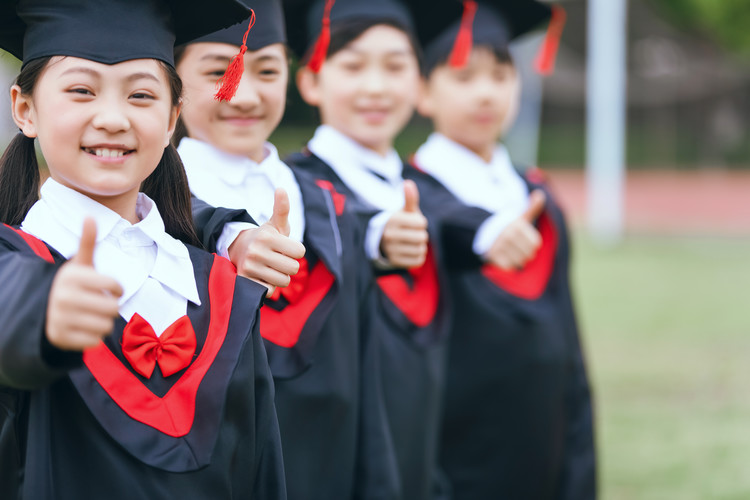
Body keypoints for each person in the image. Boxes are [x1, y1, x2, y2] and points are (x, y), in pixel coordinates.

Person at [0, 1, 286, 498]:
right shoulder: (17, 265)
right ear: (25, 110)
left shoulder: (220, 289)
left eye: (141, 95)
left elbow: (261, 469)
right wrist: (44, 308)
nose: (112, 119)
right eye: (81, 91)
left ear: (173, 117)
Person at [173, 1, 398, 498]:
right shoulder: (158, 210)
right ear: (173, 81)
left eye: (268, 70)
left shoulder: (327, 204)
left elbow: (366, 388)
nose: (245, 94)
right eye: (218, 70)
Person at [409, 1, 597, 498]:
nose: (487, 92)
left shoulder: (537, 195)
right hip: (451, 451)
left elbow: (570, 349)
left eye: (501, 74)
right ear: (422, 92)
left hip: (544, 446)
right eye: (465, 76)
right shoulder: (407, 196)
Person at [283, 1, 452, 498]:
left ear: (420, 83)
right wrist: (373, 239)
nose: (375, 87)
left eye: (396, 66)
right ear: (311, 81)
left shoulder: (424, 190)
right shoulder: (294, 188)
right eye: (353, 65)